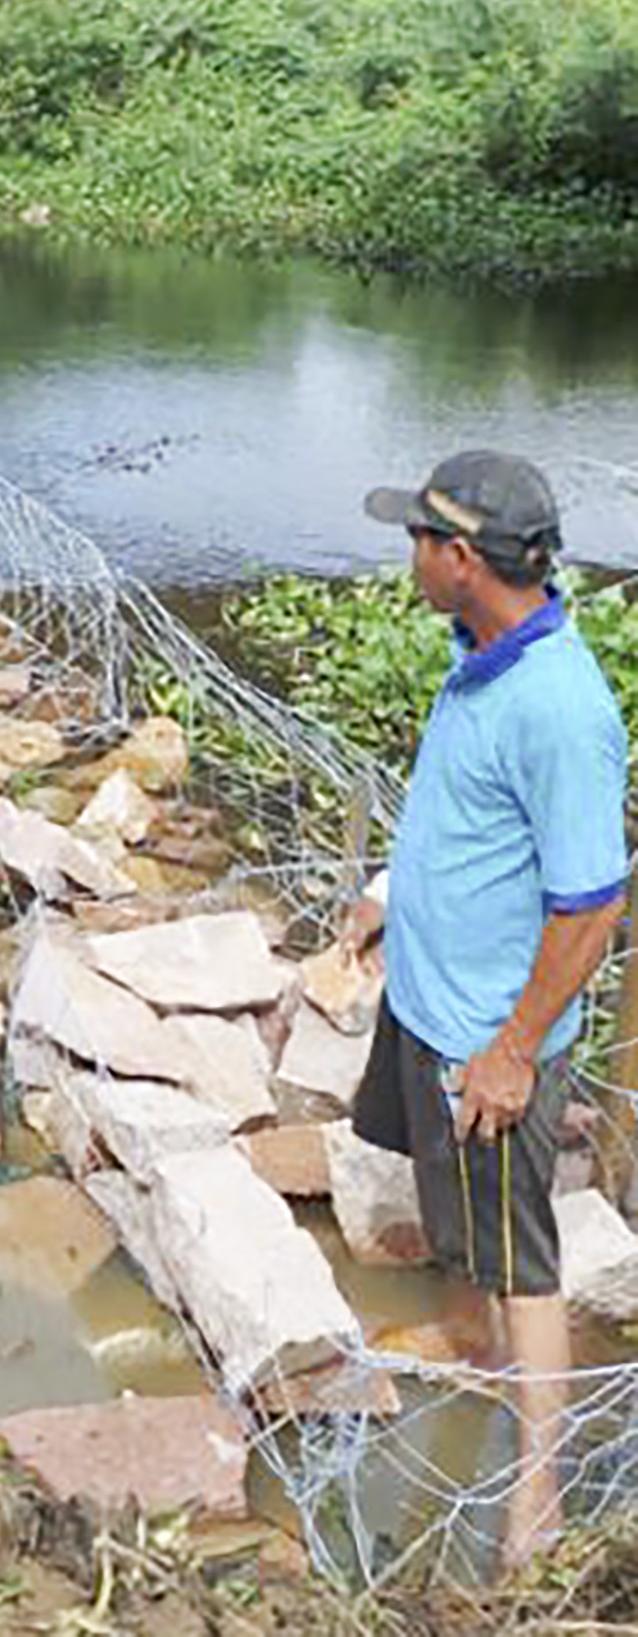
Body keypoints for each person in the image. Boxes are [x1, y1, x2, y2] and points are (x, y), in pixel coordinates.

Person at [350, 449, 628, 1571]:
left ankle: (537, 1484)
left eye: (417, 538)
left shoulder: (562, 711)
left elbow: (590, 906)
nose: (407, 555)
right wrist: (383, 896)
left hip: (483, 1042)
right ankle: (468, 1346)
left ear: (459, 559)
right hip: (425, 1001)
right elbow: (456, 819)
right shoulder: (477, 656)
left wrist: (513, 1053)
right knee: (445, 1202)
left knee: (523, 1259)